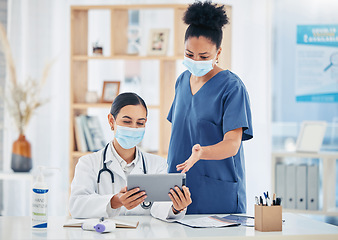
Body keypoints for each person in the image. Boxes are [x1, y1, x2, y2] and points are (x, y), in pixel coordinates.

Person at [167, 1, 253, 214]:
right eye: (189, 54)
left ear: (218, 52)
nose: (196, 61)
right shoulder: (182, 82)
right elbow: (179, 135)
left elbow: (232, 144)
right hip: (178, 191)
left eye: (204, 56)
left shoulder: (232, 88)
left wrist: (201, 152)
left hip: (217, 192)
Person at [70, 92, 192, 221]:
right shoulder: (88, 163)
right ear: (112, 121)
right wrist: (115, 201)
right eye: (127, 121)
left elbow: (160, 205)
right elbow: (77, 205)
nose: (134, 128)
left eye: (140, 123)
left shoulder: (156, 164)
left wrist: (176, 207)